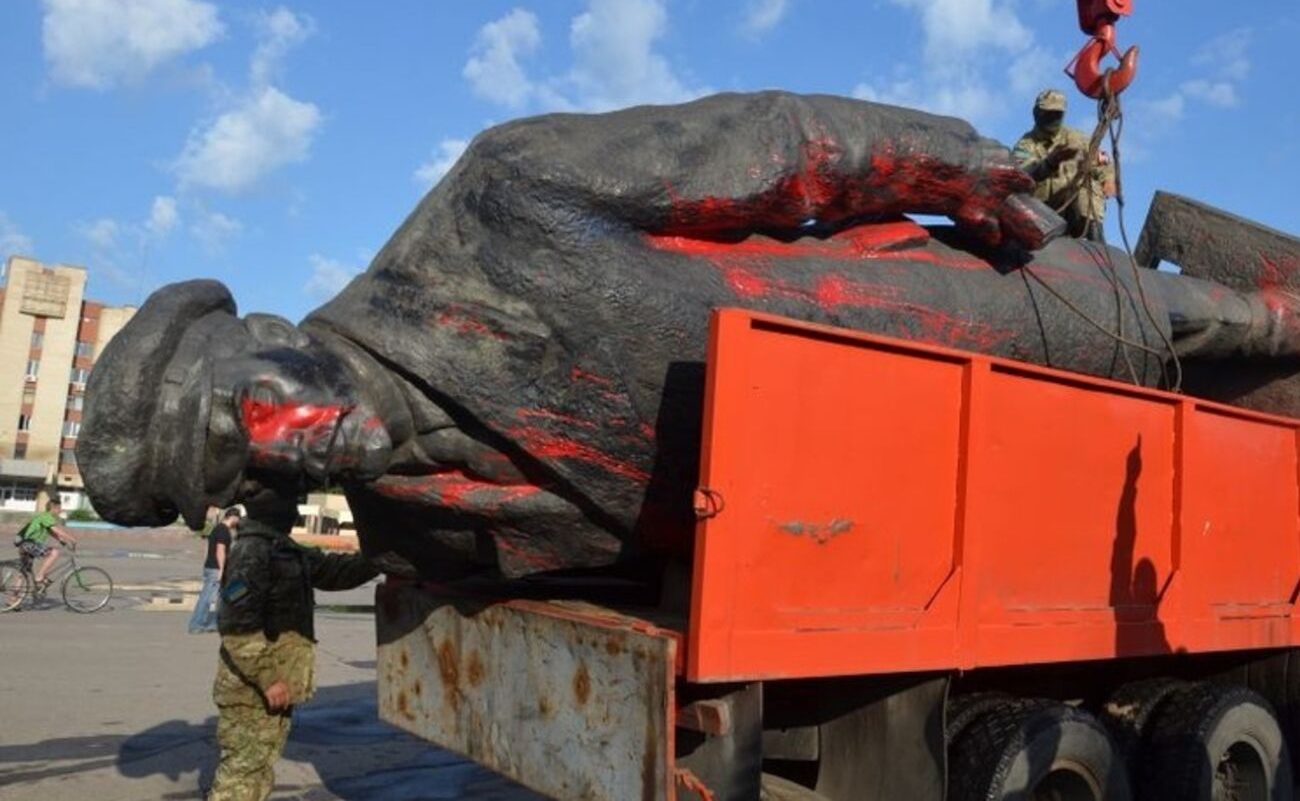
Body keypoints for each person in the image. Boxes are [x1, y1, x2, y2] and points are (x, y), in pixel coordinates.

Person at [77, 92, 1300, 585]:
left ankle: (1279, 318)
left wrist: (969, 169)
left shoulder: (500, 203)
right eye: (246, 472)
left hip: (938, 325)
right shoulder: (413, 521)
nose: (285, 452)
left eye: (250, 416)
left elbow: (782, 149)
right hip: (883, 521)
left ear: (268, 339)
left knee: (1156, 320)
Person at [208, 482, 377, 801]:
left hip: (272, 687)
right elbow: (236, 627)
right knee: (241, 776)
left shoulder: (283, 548)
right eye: (290, 506)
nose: (296, 512)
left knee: (259, 769)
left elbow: (333, 572)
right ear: (272, 509)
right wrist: (270, 680)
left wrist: (380, 557)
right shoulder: (252, 551)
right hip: (251, 690)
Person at [1012, 89, 1115, 241]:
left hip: (1075, 211)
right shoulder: (1026, 145)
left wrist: (1109, 179)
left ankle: (1096, 241)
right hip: (1045, 211)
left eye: (1057, 114)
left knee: (1088, 187)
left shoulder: (1077, 139)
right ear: (1037, 113)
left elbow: (1102, 162)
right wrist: (1049, 163)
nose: (1052, 118)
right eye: (1048, 113)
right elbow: (1021, 173)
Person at [188, 506, 240, 634]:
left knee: (225, 595)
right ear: (233, 517)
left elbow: (208, 549)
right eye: (238, 520)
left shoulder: (216, 529)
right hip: (216, 568)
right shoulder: (223, 530)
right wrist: (221, 570)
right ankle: (197, 624)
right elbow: (220, 550)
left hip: (210, 567)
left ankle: (214, 623)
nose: (238, 523)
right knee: (207, 598)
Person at [16, 497, 77, 593]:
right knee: (54, 553)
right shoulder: (47, 516)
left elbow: (51, 532)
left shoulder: (42, 516)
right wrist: (71, 538)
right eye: (59, 508)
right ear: (54, 508)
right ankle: (40, 576)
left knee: (24, 573)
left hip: (24, 544)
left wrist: (62, 541)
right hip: (31, 544)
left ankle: (13, 600)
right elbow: (55, 529)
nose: (60, 510)